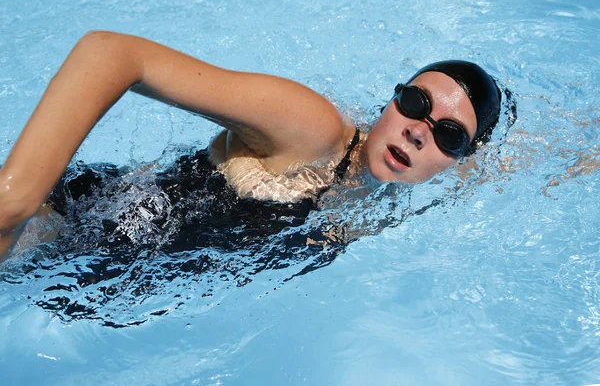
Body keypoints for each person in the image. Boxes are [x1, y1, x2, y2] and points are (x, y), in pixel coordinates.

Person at [0, 31, 501, 259]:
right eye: (415, 102)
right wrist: (15, 200)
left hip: (75, 276)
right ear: (392, 101)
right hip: (52, 226)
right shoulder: (313, 130)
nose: (419, 129)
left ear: (459, 160)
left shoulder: (406, 186)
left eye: (449, 134)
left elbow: (526, 160)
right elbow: (111, 53)